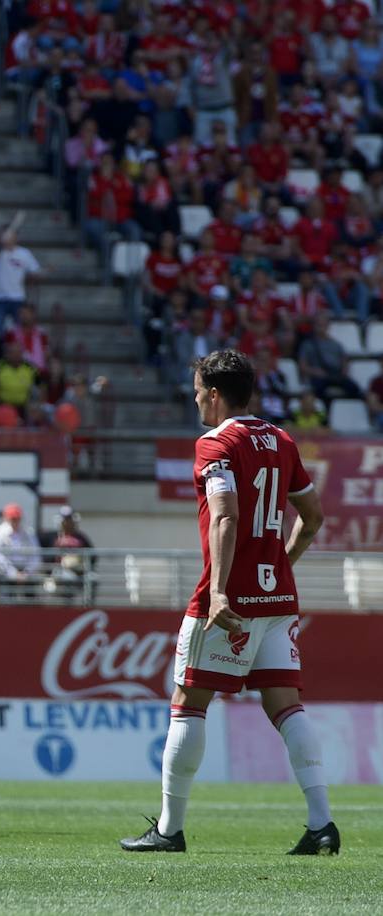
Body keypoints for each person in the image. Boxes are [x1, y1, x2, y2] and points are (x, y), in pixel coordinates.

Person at [121, 349, 337, 856]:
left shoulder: (215, 443)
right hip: (278, 597)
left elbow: (225, 515)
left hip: (231, 598)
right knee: (287, 705)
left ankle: (170, 830)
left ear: (215, 394)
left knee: (188, 702)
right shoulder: (281, 440)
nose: (195, 399)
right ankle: (322, 824)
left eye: (198, 391)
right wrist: (282, 563)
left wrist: (219, 590)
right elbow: (314, 515)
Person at [0, 503, 41, 589]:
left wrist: (26, 573)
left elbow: (35, 555)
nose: (15, 521)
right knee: (4, 596)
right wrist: (13, 573)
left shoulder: (29, 532)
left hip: (26, 572)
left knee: (31, 598)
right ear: (5, 518)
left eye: (17, 518)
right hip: (3, 573)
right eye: (12, 519)